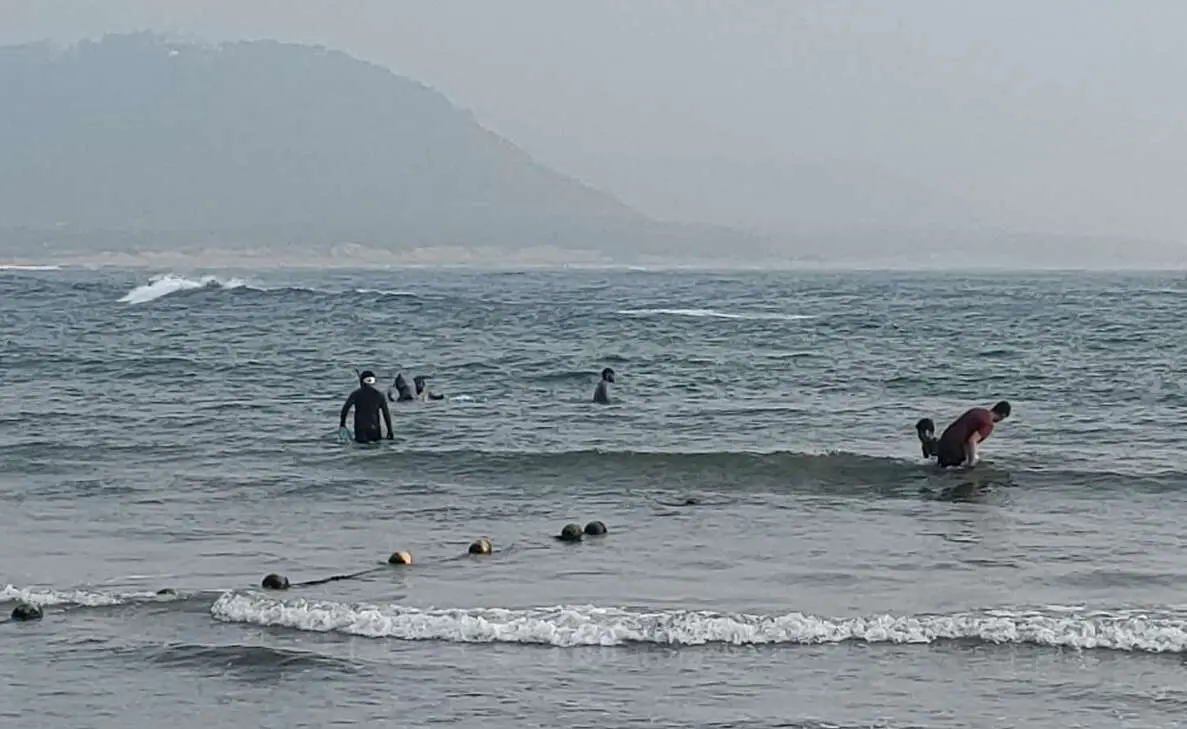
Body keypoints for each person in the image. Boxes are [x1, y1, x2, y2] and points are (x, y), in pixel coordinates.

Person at [934, 401, 1011, 468]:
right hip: (955, 447)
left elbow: (964, 434)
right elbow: (972, 440)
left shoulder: (977, 411)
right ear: (1003, 415)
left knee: (942, 471)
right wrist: (971, 463)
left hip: (944, 441)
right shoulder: (988, 423)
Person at [339, 370, 394, 444]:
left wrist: (342, 424)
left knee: (361, 449)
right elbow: (386, 414)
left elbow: (345, 410)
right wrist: (390, 430)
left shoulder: (356, 394)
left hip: (361, 430)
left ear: (361, 381)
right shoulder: (379, 395)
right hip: (375, 429)